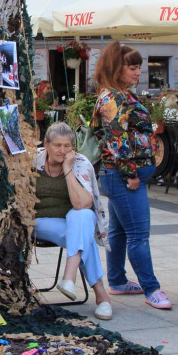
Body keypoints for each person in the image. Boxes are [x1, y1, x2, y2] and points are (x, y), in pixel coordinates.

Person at [92, 41, 171, 310]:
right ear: (117, 68)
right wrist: (131, 173)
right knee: (138, 233)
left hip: (120, 174)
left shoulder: (119, 94)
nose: (138, 73)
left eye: (139, 67)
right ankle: (152, 289)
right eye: (132, 67)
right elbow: (116, 140)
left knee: (120, 231)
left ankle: (117, 280)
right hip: (123, 175)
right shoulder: (113, 98)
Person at [34, 122, 114, 320]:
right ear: (46, 144)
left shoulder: (80, 163)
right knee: (83, 235)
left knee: (85, 216)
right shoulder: (32, 161)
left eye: (67, 146)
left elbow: (82, 204)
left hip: (70, 221)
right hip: (38, 221)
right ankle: (101, 295)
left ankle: (69, 278)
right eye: (57, 145)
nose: (63, 151)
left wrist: (68, 169)